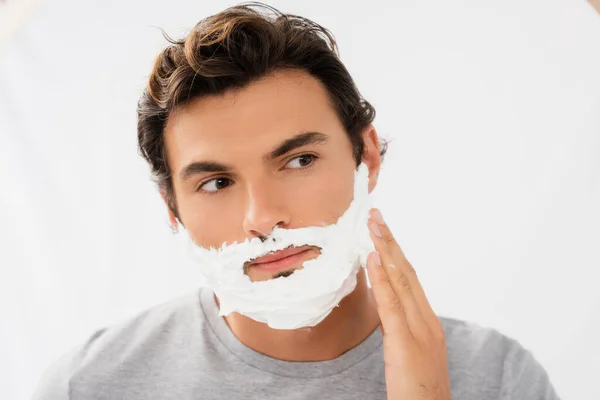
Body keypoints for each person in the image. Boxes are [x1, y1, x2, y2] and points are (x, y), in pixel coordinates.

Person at [32, 3, 560, 399]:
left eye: (298, 160)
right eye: (216, 183)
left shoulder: (500, 379)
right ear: (172, 209)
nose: (262, 219)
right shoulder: (89, 386)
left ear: (366, 156)